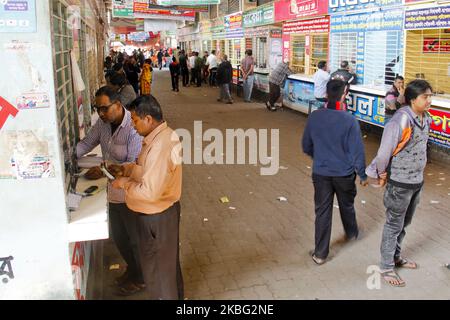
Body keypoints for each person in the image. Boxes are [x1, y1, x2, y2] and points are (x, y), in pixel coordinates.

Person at [111, 95, 184, 300]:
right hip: (158, 216)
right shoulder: (158, 138)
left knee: (158, 272)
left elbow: (150, 192)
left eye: (135, 120)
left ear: (148, 119)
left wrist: (123, 184)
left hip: (156, 217)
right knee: (166, 268)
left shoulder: (161, 145)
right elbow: (148, 172)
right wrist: (127, 170)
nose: (133, 126)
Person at [76, 86, 144, 295]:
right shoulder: (103, 125)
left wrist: (103, 171)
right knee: (119, 237)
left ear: (118, 104)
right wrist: (67, 158)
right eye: (98, 109)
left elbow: (132, 164)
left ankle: (141, 278)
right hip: (113, 194)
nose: (101, 113)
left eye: (104, 108)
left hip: (130, 194)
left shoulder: (133, 128)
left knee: (134, 240)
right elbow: (87, 143)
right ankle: (132, 270)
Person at [366, 80, 433, 287]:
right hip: (400, 183)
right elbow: (384, 151)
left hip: (416, 182)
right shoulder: (401, 121)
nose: (429, 100)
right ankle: (386, 267)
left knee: (404, 223)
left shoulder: (426, 118)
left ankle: (395, 257)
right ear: (413, 99)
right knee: (394, 224)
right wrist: (380, 173)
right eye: (425, 97)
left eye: (431, 96)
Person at [302, 79, 368, 265]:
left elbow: (306, 146)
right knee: (346, 204)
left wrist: (321, 157)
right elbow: (357, 151)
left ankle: (320, 254)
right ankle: (352, 232)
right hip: (344, 174)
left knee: (322, 211)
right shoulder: (349, 120)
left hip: (321, 173)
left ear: (326, 94)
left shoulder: (315, 117)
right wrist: (362, 174)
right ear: (344, 95)